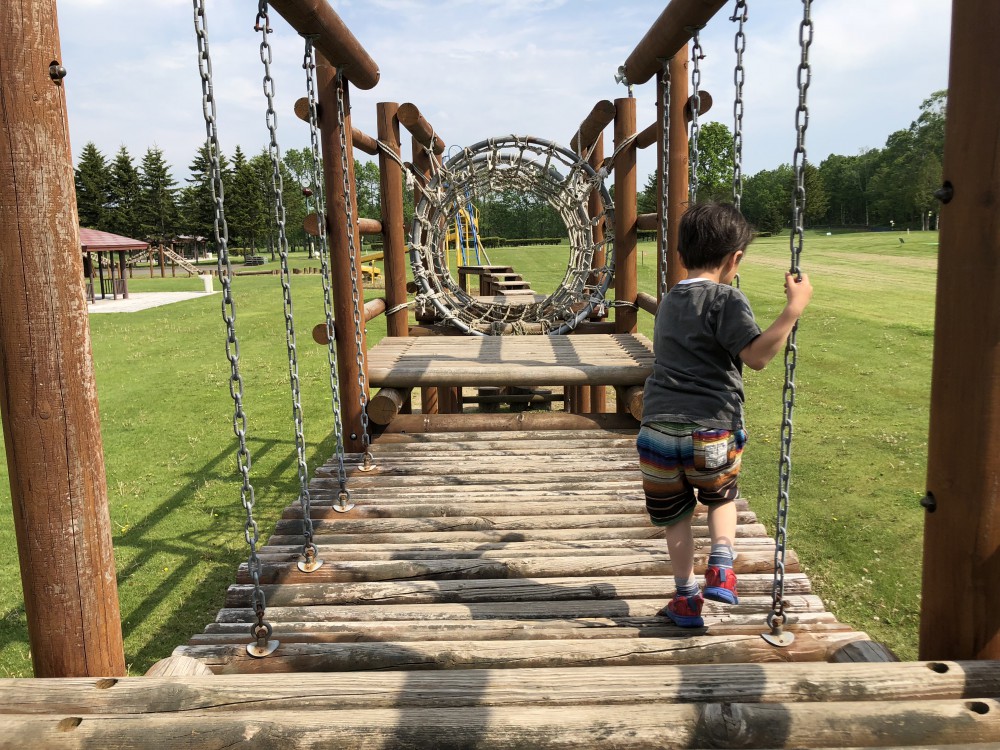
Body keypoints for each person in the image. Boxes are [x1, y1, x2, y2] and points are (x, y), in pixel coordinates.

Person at [637, 202, 813, 627]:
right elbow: (755, 356)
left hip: (657, 432)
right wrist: (794, 308)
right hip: (711, 430)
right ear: (735, 259)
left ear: (680, 256)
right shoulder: (726, 299)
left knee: (675, 517)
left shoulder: (668, 302)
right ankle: (720, 564)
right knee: (720, 498)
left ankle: (685, 598)